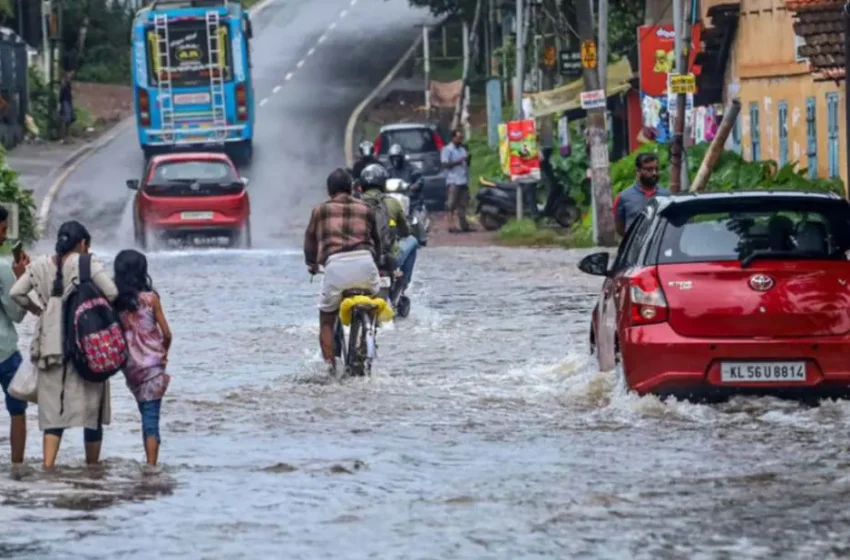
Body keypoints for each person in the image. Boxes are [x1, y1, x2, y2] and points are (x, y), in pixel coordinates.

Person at [10, 221, 117, 469]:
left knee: (53, 412)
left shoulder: (38, 265)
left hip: (50, 343)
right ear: (82, 244)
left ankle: (48, 468)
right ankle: (92, 470)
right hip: (86, 341)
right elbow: (111, 292)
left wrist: (39, 309)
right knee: (92, 412)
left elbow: (17, 292)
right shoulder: (87, 263)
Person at [304, 169, 382, 374]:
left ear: (329, 190)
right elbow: (377, 241)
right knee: (373, 304)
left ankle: (330, 367)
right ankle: (366, 343)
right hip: (365, 263)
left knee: (327, 320)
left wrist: (311, 263)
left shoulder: (320, 210)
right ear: (352, 188)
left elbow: (310, 242)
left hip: (335, 267)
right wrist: (378, 263)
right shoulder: (366, 209)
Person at [113, 249, 172, 466]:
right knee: (151, 419)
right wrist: (164, 353)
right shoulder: (151, 299)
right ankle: (151, 467)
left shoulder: (116, 301)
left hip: (130, 368)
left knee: (144, 412)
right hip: (152, 367)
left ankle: (149, 463)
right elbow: (167, 333)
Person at [0, 205, 33, 464]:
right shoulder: (2, 269)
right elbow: (16, 314)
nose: (3, 236)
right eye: (2, 230)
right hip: (4, 351)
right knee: (17, 409)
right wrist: (20, 278)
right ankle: (17, 466)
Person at [360, 163, 418, 293]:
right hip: (387, 258)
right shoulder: (392, 202)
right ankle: (402, 285)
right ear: (383, 183)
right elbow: (405, 231)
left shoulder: (354, 203)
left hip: (360, 258)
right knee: (413, 241)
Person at [613, 153, 671, 237]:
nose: (654, 173)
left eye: (656, 169)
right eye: (649, 169)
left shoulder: (666, 195)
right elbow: (619, 228)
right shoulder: (623, 197)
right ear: (638, 171)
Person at [441, 129, 472, 233]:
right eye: (458, 138)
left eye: (461, 138)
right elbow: (445, 164)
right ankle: (451, 226)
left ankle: (464, 225)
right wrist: (459, 161)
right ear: (453, 138)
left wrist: (467, 161)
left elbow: (466, 163)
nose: (460, 140)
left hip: (463, 179)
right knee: (451, 205)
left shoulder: (462, 150)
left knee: (463, 204)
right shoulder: (447, 150)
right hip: (453, 180)